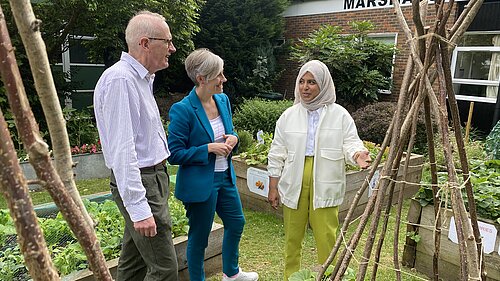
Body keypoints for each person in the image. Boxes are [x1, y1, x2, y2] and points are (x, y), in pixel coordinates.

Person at [266, 60, 371, 280]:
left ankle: (331, 276)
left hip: (326, 179)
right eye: (302, 82)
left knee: (327, 236)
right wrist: (273, 187)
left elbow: (350, 142)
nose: (305, 87)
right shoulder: (289, 116)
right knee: (292, 237)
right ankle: (291, 276)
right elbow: (277, 152)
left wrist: (358, 154)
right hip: (294, 180)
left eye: (312, 82)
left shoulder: (339, 114)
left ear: (323, 85)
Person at [94, 11, 178, 281]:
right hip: (142, 181)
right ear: (145, 43)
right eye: (167, 41)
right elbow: (123, 151)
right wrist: (140, 209)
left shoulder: (139, 79)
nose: (172, 48)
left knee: (133, 267)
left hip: (153, 178)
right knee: (165, 271)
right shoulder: (121, 80)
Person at [167, 48, 259, 281]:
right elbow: (174, 154)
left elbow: (229, 132)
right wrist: (207, 149)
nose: (223, 79)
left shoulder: (223, 100)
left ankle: (231, 273)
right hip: (200, 185)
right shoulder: (183, 110)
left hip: (225, 178)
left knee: (236, 222)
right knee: (200, 237)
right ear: (202, 79)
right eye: (219, 75)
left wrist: (234, 138)